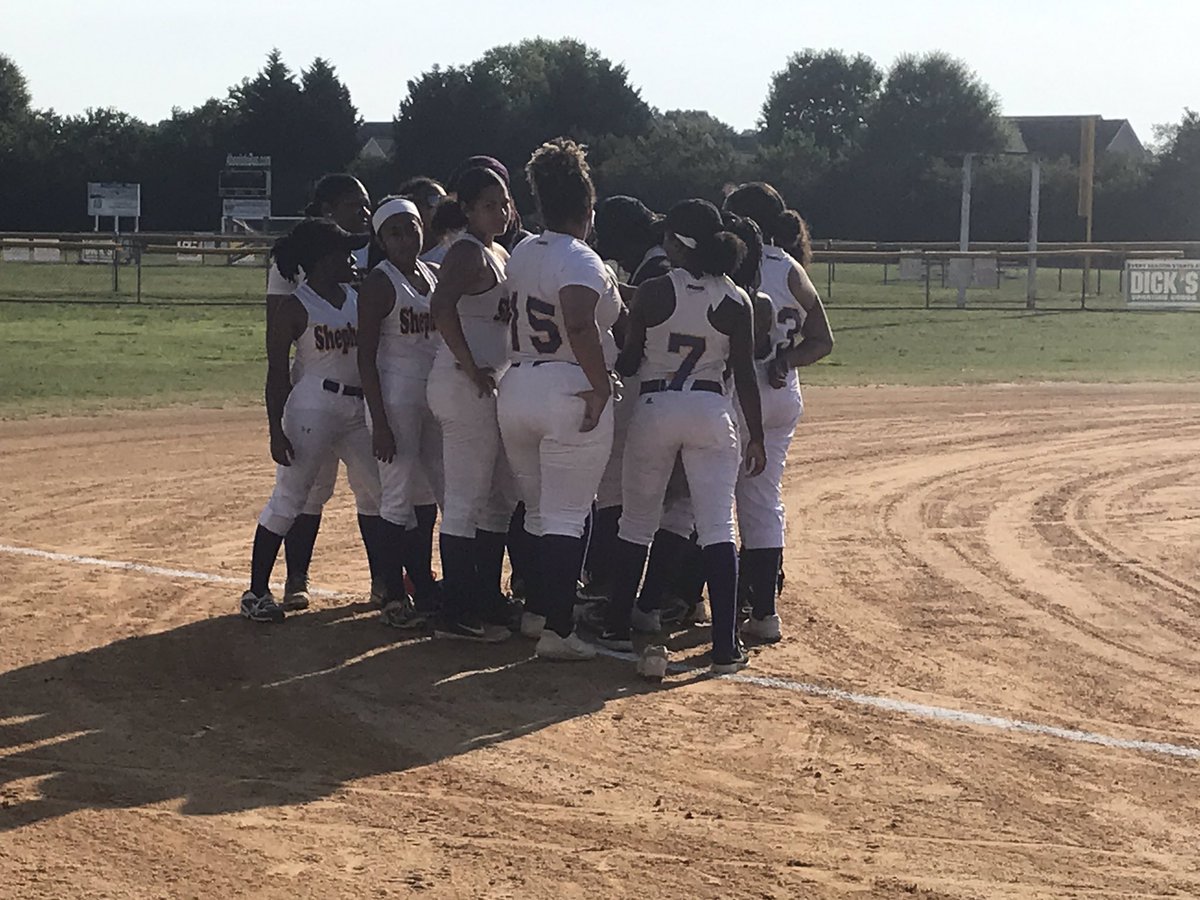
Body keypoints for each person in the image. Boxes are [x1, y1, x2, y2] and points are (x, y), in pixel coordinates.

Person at [602, 199, 767, 673]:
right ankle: (724, 645)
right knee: (717, 526)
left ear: (677, 242)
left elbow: (630, 362)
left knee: (636, 522)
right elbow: (745, 376)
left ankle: (617, 625)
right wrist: (756, 436)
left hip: (656, 406)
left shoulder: (654, 291)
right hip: (711, 409)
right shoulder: (737, 300)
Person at [498, 138, 622, 661]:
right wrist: (599, 384)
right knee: (569, 515)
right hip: (567, 387)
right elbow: (577, 321)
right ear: (587, 209)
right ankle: (559, 630)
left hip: (519, 383)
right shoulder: (581, 259)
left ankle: (535, 613)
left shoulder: (522, 250)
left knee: (537, 512)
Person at [241, 218, 384, 622]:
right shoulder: (295, 306)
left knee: (377, 493)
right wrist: (275, 428)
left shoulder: (357, 299)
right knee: (290, 497)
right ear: (323, 261)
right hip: (313, 406)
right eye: (344, 254)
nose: (354, 260)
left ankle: (384, 584)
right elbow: (276, 374)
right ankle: (256, 592)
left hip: (356, 409)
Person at [723, 182, 834, 642]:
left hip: (737, 392)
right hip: (782, 392)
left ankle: (705, 603)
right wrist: (785, 361)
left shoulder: (737, 265)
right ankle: (764, 612)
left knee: (707, 502)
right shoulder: (789, 266)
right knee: (762, 500)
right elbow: (823, 339)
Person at [427, 166, 520, 641]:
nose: (501, 212)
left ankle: (485, 595)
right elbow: (440, 307)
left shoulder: (498, 251)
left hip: (487, 385)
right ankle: (456, 610)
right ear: (466, 209)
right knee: (465, 500)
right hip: (464, 386)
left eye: (504, 203)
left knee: (498, 497)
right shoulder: (466, 251)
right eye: (489, 205)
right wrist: (467, 364)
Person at [357, 197, 445, 629]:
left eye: (411, 228)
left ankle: (423, 583)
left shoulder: (432, 274)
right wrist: (380, 421)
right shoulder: (380, 282)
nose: (406, 238)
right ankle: (391, 592)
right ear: (381, 239)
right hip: (395, 398)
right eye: (395, 232)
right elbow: (366, 358)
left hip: (432, 396)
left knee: (427, 496)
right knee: (396, 495)